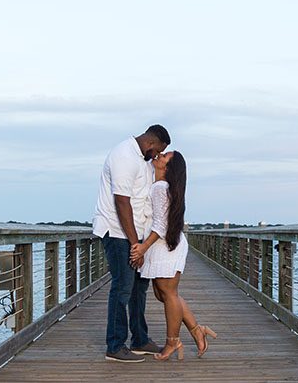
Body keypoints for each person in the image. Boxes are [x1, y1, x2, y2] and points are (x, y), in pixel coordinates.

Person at [90, 124, 170, 362]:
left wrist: (141, 242)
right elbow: (122, 202)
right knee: (123, 287)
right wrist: (136, 244)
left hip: (136, 235)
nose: (156, 156)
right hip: (117, 233)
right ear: (151, 143)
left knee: (139, 288)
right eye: (158, 151)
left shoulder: (142, 160)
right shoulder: (124, 156)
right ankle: (115, 346)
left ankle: (140, 340)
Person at [131, 150, 217, 361]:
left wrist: (142, 248)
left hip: (164, 246)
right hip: (165, 245)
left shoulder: (161, 188)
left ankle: (172, 342)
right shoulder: (162, 187)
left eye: (163, 157)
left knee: (168, 294)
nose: (158, 156)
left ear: (167, 169)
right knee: (164, 295)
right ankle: (197, 330)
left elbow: (160, 225)